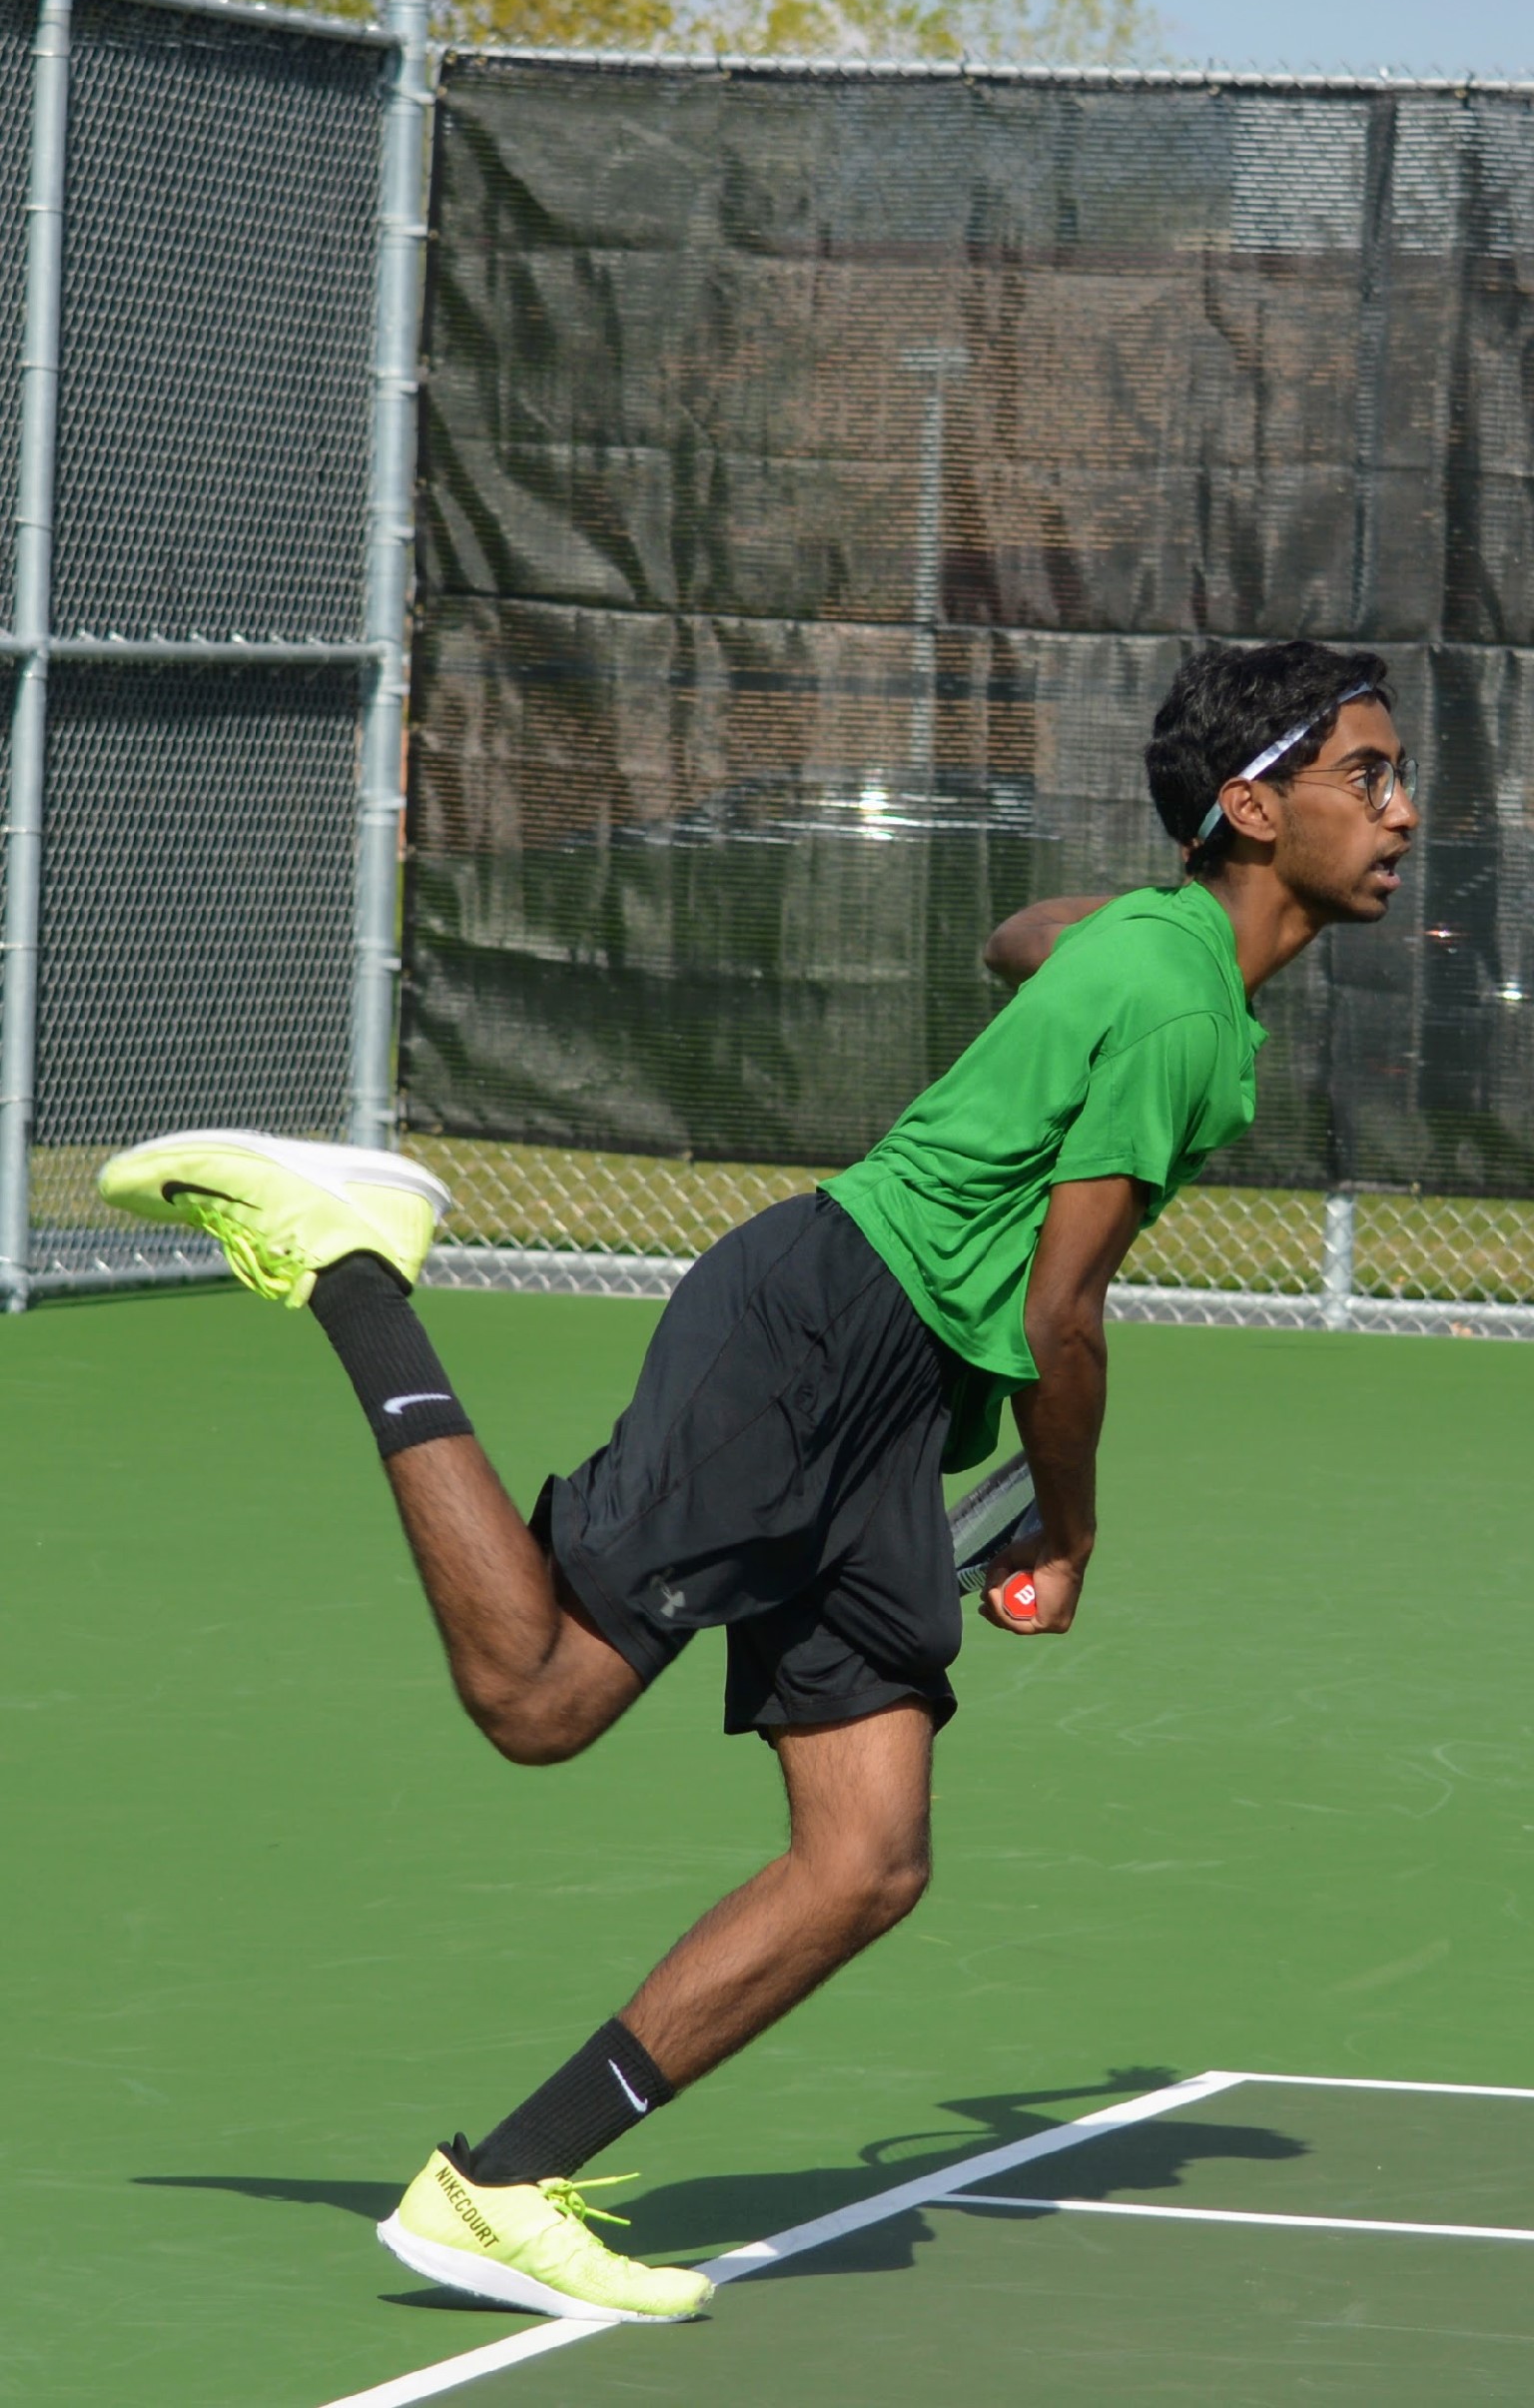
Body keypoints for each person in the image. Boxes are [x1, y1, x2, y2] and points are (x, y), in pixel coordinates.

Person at [99, 637, 1418, 2326]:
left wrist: (1130, 939)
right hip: (824, 1325)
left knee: (865, 1857)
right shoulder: (1174, 996)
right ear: (1254, 806)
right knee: (540, 1697)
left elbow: (1022, 940)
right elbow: (1061, 1310)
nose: (1400, 809)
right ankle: (349, 1261)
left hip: (897, 1398)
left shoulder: (1166, 958)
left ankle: (498, 2186)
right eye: (1363, 774)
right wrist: (1072, 1528)